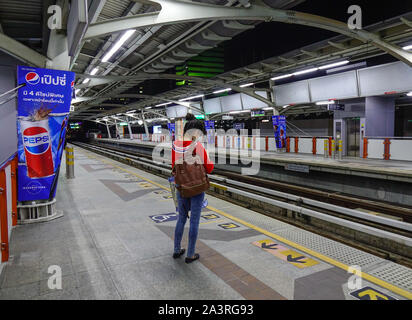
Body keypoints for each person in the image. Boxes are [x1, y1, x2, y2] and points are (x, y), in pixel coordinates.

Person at [172, 120, 214, 263]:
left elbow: (174, 167)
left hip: (181, 188)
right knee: (194, 221)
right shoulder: (198, 146)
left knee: (181, 219)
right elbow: (209, 168)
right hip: (196, 188)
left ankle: (176, 250)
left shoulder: (175, 145)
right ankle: (190, 254)